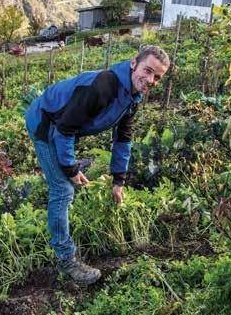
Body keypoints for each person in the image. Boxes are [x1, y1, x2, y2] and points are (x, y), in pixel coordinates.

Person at [25, 46, 170, 284]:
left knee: (68, 175)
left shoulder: (133, 96)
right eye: (148, 70)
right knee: (63, 189)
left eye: (157, 77)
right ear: (134, 63)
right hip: (45, 123)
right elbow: (65, 129)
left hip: (63, 126)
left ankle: (62, 176)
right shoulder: (104, 86)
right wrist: (70, 169)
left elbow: (123, 138)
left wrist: (118, 181)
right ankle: (66, 261)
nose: (151, 80)